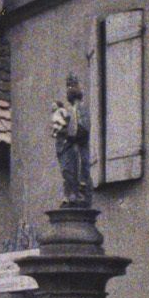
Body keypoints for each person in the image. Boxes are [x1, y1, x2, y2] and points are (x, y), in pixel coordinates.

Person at [51, 73, 92, 205]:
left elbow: (83, 128)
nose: (69, 90)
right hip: (69, 147)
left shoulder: (81, 108)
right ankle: (70, 195)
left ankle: (78, 194)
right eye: (68, 87)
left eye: (72, 87)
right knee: (67, 171)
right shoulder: (68, 110)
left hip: (79, 148)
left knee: (78, 172)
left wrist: (70, 135)